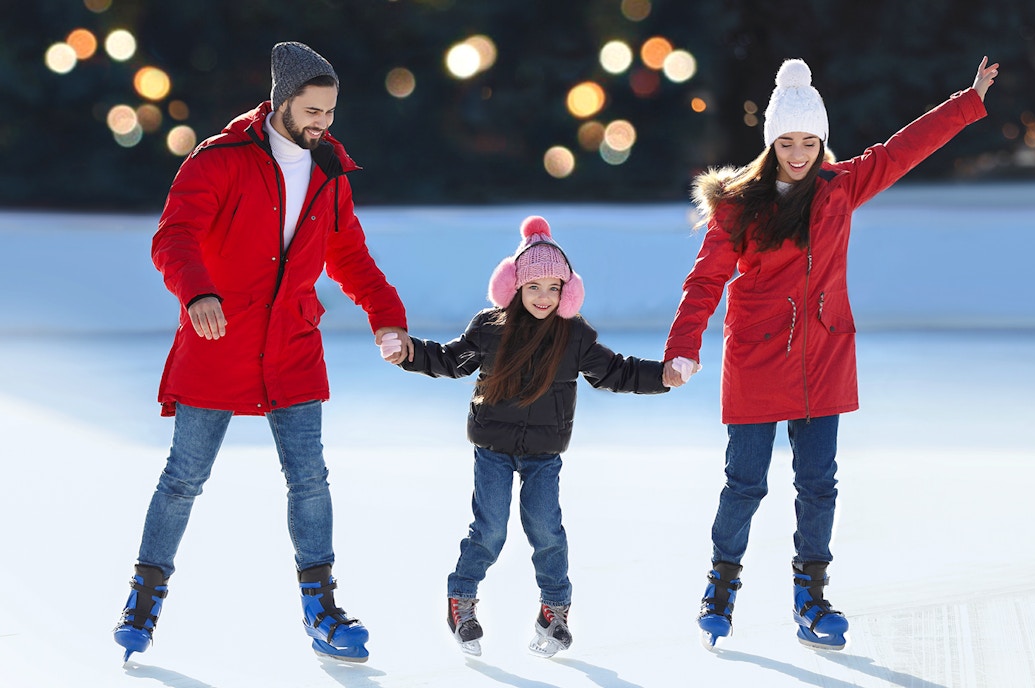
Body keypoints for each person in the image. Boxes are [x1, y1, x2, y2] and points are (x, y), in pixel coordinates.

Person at [662, 56, 999, 651]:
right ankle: (720, 589)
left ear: (822, 140)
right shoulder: (740, 204)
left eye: (809, 141)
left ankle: (811, 598)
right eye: (786, 142)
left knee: (819, 485)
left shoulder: (839, 189)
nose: (798, 153)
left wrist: (966, 102)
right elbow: (705, 280)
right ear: (770, 142)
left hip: (822, 356)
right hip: (758, 359)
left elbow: (900, 151)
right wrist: (683, 347)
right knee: (745, 484)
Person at [112, 41, 414, 664]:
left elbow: (350, 257)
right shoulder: (219, 160)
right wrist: (196, 292)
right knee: (183, 479)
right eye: (312, 111)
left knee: (310, 480)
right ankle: (144, 596)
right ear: (281, 102)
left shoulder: (328, 171)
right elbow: (175, 236)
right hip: (218, 341)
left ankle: (322, 607)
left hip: (292, 347)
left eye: (330, 113)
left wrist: (387, 319)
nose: (323, 125)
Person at [379, 215, 669, 657]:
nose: (544, 297)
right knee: (491, 529)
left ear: (567, 292)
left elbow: (615, 370)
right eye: (534, 287)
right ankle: (461, 598)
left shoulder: (575, 335)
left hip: (543, 454)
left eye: (554, 288)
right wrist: (409, 352)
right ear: (514, 287)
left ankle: (554, 611)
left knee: (546, 529)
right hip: (493, 448)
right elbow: (448, 359)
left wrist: (663, 375)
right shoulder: (491, 327)